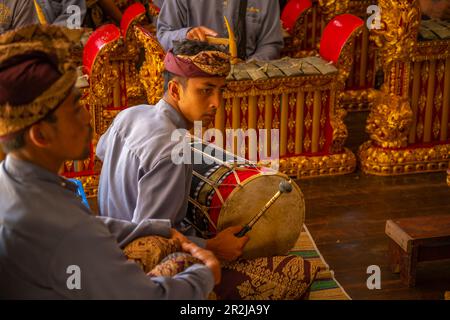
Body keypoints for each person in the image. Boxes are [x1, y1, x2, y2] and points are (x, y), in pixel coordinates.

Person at [0, 25, 220, 299]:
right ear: (40, 134)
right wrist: (205, 274)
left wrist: (159, 228)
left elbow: (92, 220)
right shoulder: (66, 229)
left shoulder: (10, 180)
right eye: (75, 107)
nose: (86, 116)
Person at [96, 39, 249, 262]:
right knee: (294, 273)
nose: (216, 102)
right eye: (206, 90)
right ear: (175, 90)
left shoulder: (130, 114)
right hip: (133, 265)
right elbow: (150, 239)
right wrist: (213, 247)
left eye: (220, 90)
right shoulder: (174, 151)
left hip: (107, 236)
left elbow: (102, 153)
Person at [157, 0, 284, 61]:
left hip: (247, 86)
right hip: (196, 84)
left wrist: (249, 68)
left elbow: (270, 44)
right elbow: (163, 36)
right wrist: (186, 35)